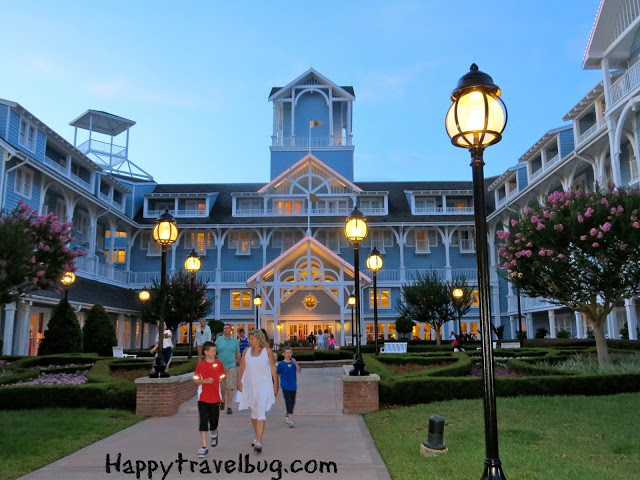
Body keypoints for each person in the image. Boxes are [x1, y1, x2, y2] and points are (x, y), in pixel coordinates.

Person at [237, 329, 278, 453]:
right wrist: (239, 381)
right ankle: (256, 436)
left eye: (252, 338)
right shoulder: (246, 352)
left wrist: (276, 384)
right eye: (249, 338)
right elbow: (242, 367)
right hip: (250, 386)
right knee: (254, 413)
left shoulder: (267, 352)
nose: (250, 341)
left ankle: (259, 441)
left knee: (261, 413)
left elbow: (272, 369)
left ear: (259, 339)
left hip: (264, 386)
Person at [193, 342, 226, 458]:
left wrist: (217, 380)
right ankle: (203, 447)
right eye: (212, 350)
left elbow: (222, 376)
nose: (214, 352)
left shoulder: (219, 364)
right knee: (203, 421)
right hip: (202, 398)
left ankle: (214, 433)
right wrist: (204, 381)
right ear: (206, 352)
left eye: (215, 350)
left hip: (215, 397)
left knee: (214, 421)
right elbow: (196, 380)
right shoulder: (200, 366)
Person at [215, 324, 240, 414]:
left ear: (230, 330)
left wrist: (241, 364)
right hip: (220, 367)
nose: (226, 330)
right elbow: (214, 352)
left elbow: (237, 353)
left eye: (227, 328)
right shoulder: (219, 340)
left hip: (231, 365)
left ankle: (229, 406)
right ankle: (223, 399)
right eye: (224, 328)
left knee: (230, 386)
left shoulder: (234, 341)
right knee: (222, 386)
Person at [276, 346, 301, 427]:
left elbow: (298, 371)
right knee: (288, 401)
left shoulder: (293, 363)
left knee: (292, 402)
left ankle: (287, 414)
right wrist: (275, 384)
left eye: (290, 352)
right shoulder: (281, 364)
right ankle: (290, 417)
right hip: (285, 386)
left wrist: (296, 363)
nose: (288, 354)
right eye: (287, 353)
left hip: (293, 385)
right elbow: (277, 374)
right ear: (283, 354)